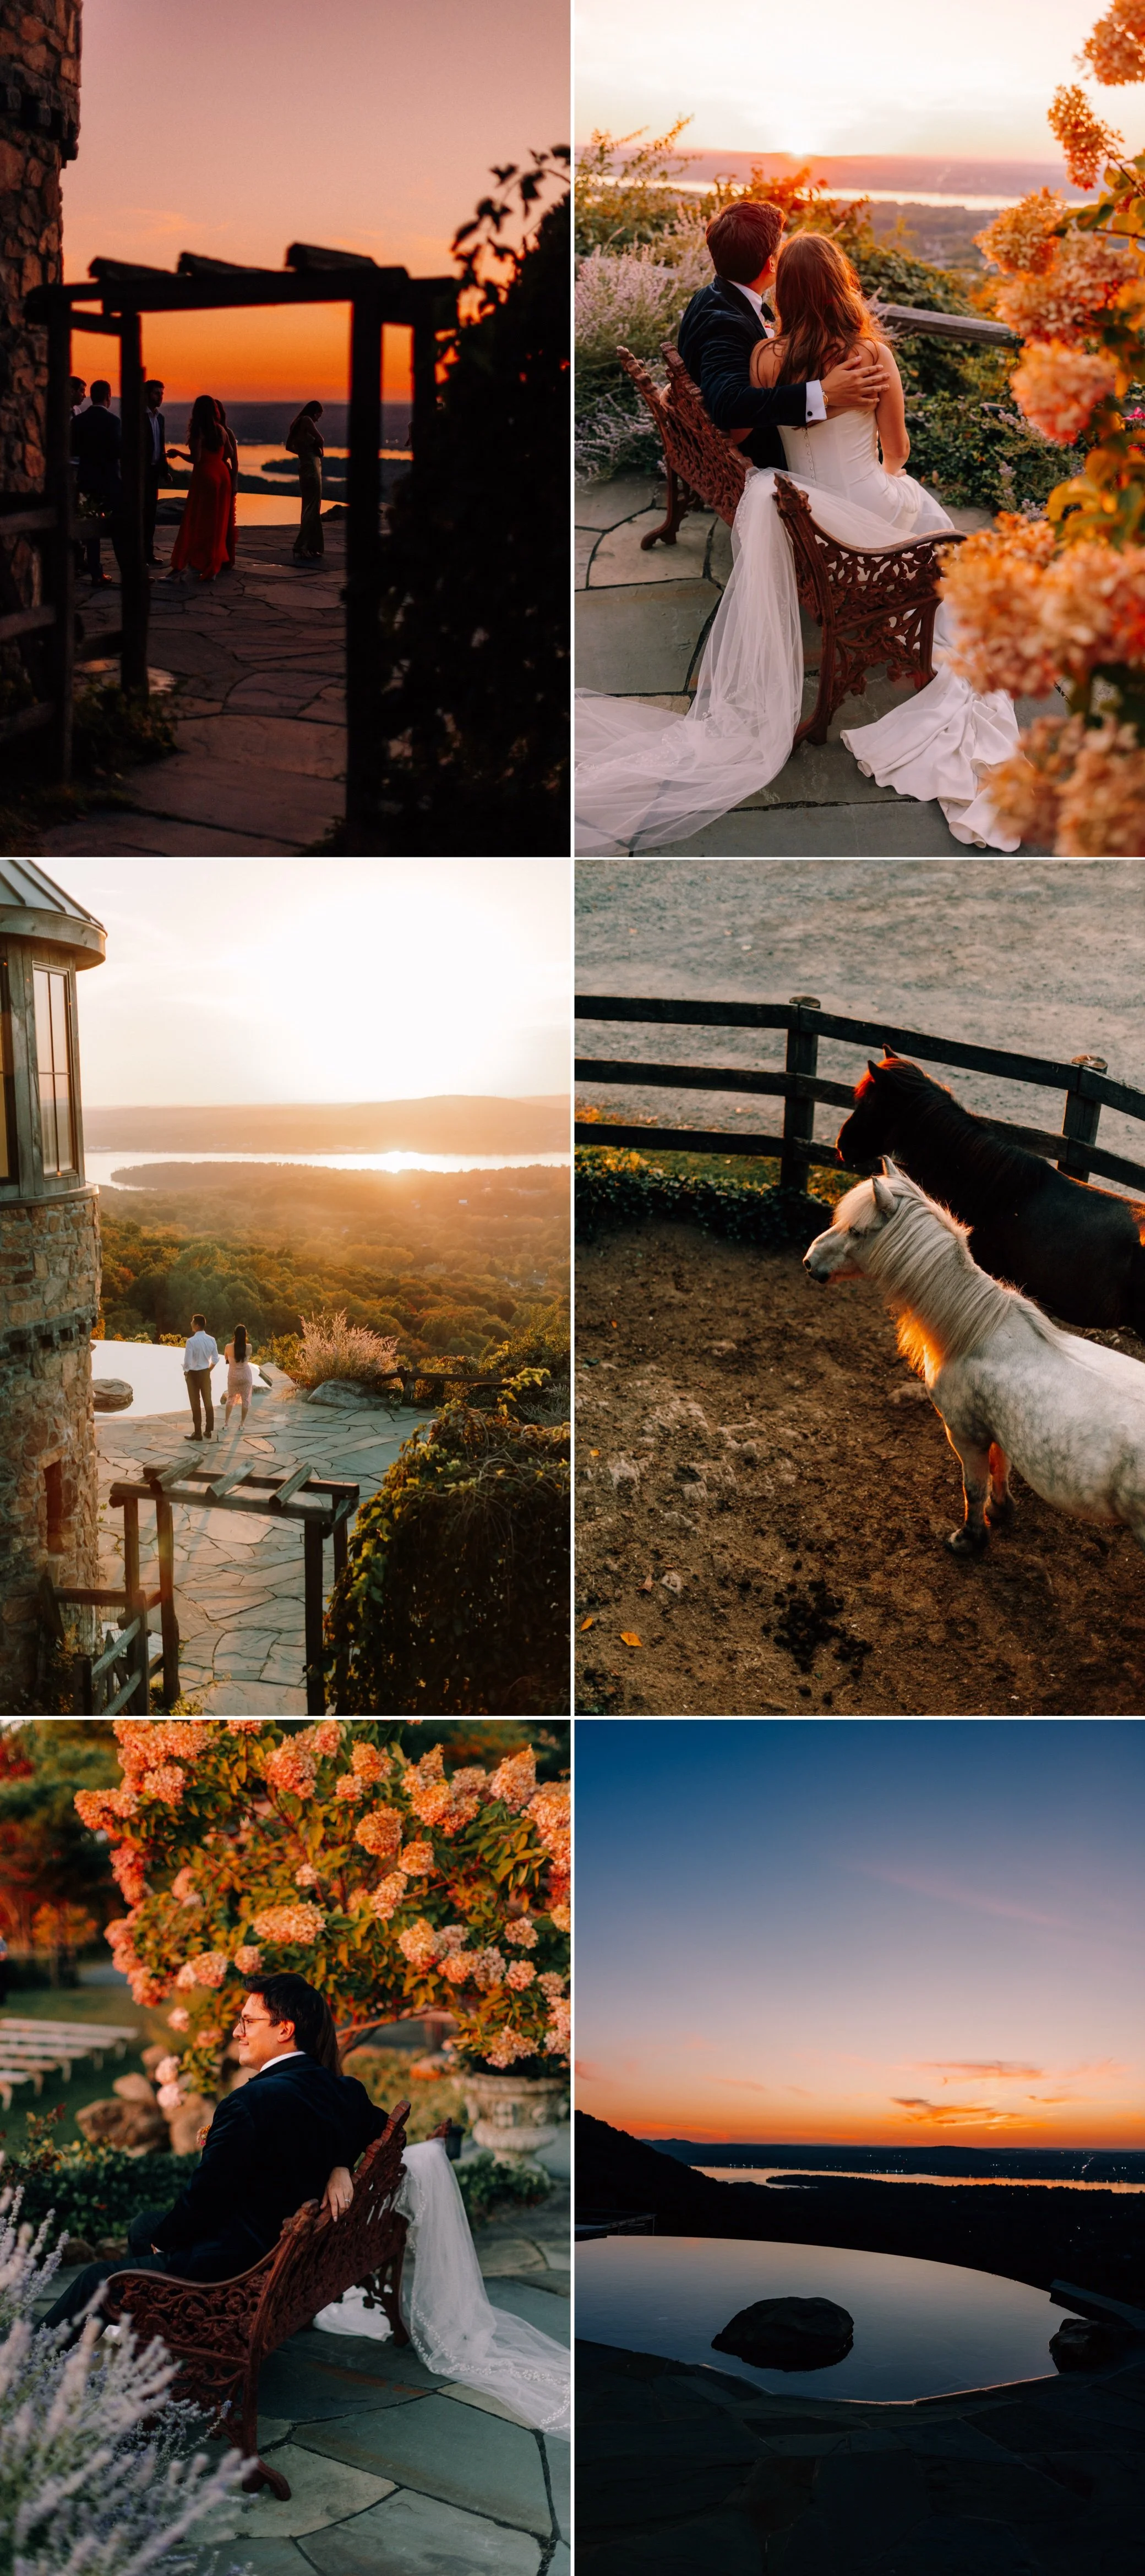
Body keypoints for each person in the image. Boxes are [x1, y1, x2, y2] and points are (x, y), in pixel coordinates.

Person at [575, 217, 1022, 856]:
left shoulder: (763, 356)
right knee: (925, 511)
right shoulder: (873, 356)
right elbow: (896, 453)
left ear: (785, 289)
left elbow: (736, 425)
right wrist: (875, 462)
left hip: (806, 514)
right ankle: (927, 637)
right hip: (861, 516)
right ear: (841, 287)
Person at [40, 1973, 386, 2338]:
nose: (238, 2032)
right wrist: (340, 2163)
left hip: (236, 2265)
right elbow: (379, 2127)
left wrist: (169, 2241)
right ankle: (153, 2331)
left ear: (284, 2029)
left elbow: (206, 2196)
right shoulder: (343, 2090)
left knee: (96, 2277)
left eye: (248, 2022)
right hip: (278, 2253)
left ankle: (27, 2361)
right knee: (145, 2225)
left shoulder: (248, 2104)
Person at [167, 396, 232, 581]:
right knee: (217, 523)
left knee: (194, 521)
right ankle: (212, 564)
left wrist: (178, 453)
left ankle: (182, 565)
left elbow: (196, 459)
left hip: (206, 476)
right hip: (222, 475)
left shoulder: (199, 431)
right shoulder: (221, 430)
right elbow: (230, 453)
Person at [71, 380, 124, 587]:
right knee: (119, 527)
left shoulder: (79, 421)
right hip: (110, 481)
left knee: (92, 530)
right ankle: (127, 570)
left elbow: (73, 450)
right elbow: (118, 451)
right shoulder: (114, 422)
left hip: (86, 480)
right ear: (108, 396)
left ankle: (96, 573)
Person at [285, 401, 325, 561]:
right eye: (318, 416)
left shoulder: (296, 423)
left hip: (305, 464)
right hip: (312, 466)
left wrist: (303, 452)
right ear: (313, 412)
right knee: (313, 506)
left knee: (309, 506)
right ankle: (301, 545)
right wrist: (313, 450)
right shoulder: (307, 420)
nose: (318, 420)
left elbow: (289, 447)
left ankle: (313, 546)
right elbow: (320, 439)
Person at [143, 380, 171, 566]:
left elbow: (160, 447)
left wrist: (165, 471)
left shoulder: (160, 418)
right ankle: (137, 554)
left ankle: (148, 554)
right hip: (140, 473)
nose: (160, 397)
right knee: (140, 514)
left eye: (162, 393)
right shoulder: (137, 417)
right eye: (156, 393)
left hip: (153, 473)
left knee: (150, 514)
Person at [182, 1311, 219, 1441]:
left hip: (193, 1375)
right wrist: (209, 1370)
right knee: (208, 1401)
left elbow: (187, 1362)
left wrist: (186, 1372)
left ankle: (198, 1433)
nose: (191, 1323)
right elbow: (215, 1359)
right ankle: (208, 1431)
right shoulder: (212, 1340)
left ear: (197, 1326)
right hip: (205, 1373)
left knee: (195, 1403)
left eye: (192, 1322)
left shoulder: (191, 1342)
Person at [214, 401, 239, 567]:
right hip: (212, 475)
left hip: (224, 474)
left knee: (226, 518)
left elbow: (235, 460)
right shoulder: (207, 431)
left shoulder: (226, 431)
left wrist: (235, 483)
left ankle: (225, 556)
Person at [224, 1321, 255, 1429]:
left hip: (233, 1376)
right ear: (246, 1335)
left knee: (230, 1398)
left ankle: (226, 1423)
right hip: (246, 1376)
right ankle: (242, 1424)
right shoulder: (249, 1347)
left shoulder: (228, 1347)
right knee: (246, 1399)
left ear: (235, 1334)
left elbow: (226, 1359)